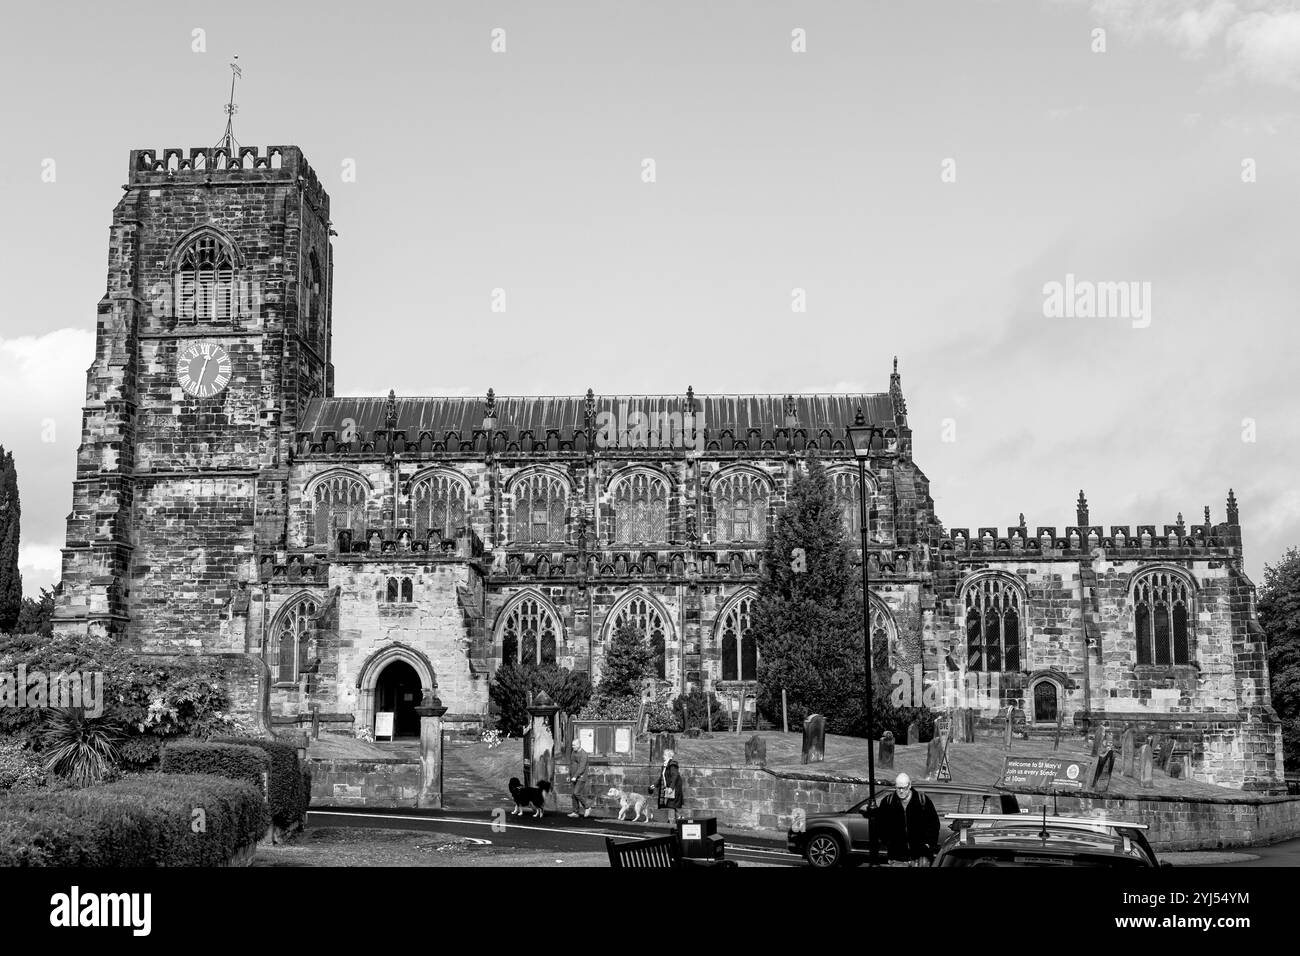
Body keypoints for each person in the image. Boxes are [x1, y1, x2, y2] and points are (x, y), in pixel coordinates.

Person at [872, 772, 940, 866]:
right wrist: (888, 842)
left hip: (921, 856)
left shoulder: (922, 801)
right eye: (898, 788)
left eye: (903, 788)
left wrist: (928, 844)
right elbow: (880, 825)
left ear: (909, 786)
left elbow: (934, 824)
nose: (900, 791)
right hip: (897, 856)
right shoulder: (888, 802)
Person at [649, 749, 685, 825]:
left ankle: (672, 824)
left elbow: (675, 776)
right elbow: (661, 778)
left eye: (664, 755)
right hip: (668, 789)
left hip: (674, 789)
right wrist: (654, 785)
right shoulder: (665, 765)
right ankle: (679, 818)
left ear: (669, 756)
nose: (663, 756)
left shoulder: (672, 765)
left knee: (671, 805)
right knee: (670, 805)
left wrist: (671, 788)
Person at [567, 739, 592, 818]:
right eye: (572, 745)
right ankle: (575, 812)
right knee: (573, 795)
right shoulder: (573, 752)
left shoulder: (584, 754)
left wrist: (575, 776)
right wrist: (569, 775)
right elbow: (571, 764)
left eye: (574, 745)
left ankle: (587, 807)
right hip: (573, 776)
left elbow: (582, 767)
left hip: (581, 777)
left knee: (576, 793)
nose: (572, 747)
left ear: (579, 745)